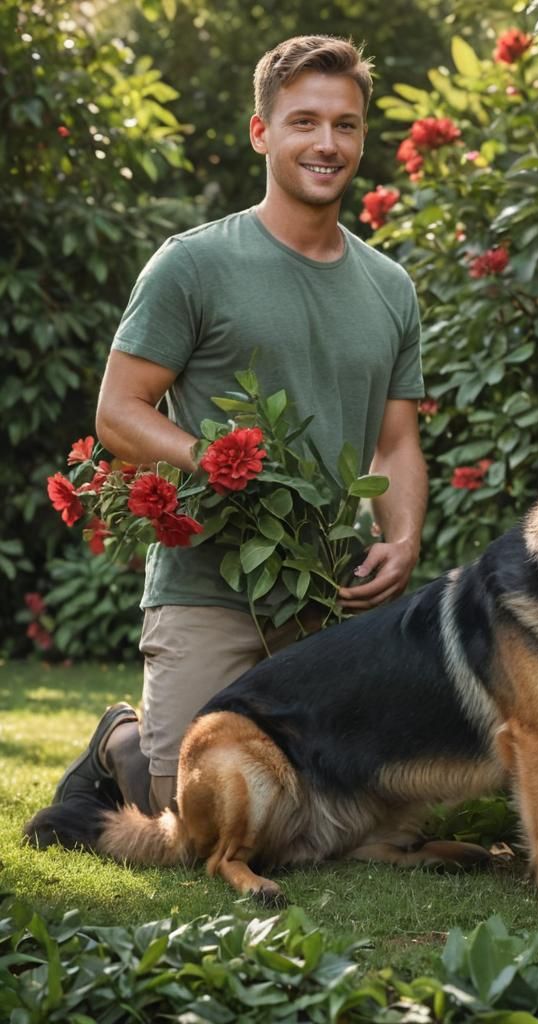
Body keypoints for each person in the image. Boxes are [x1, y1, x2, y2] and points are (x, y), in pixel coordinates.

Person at [34, 35, 427, 822]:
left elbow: (395, 443)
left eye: (345, 125)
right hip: (205, 585)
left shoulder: (391, 289)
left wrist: (404, 536)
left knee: (345, 807)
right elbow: (119, 412)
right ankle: (121, 741)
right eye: (304, 122)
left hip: (323, 590)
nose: (326, 144)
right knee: (192, 806)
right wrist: (210, 460)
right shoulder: (192, 265)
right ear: (262, 132)